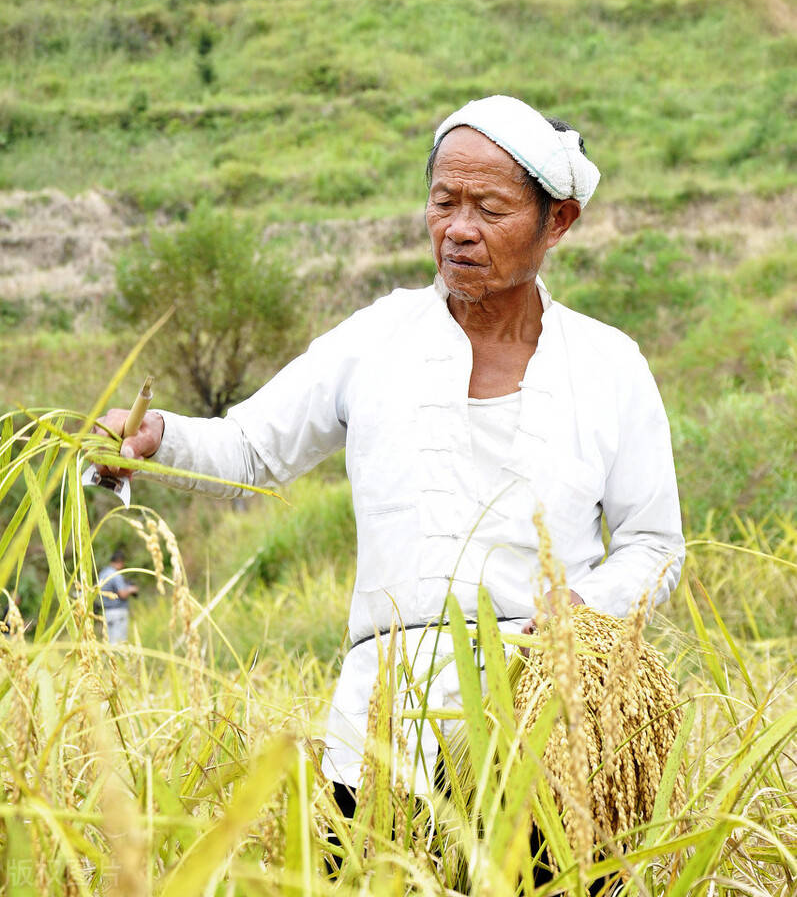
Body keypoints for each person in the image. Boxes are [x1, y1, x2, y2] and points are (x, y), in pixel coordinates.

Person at [99, 94, 684, 802]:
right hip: (380, 730)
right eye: (444, 204)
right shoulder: (375, 340)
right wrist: (161, 437)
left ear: (556, 220)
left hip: (547, 724)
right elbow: (252, 450)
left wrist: (584, 607)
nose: (458, 231)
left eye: (490, 210)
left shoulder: (607, 364)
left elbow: (652, 545)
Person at [96, 548, 138, 644]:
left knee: (108, 640)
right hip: (118, 612)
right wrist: (132, 589)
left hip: (106, 612)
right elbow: (122, 594)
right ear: (120, 562)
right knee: (119, 642)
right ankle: (117, 658)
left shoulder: (103, 573)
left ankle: (107, 658)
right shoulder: (116, 575)